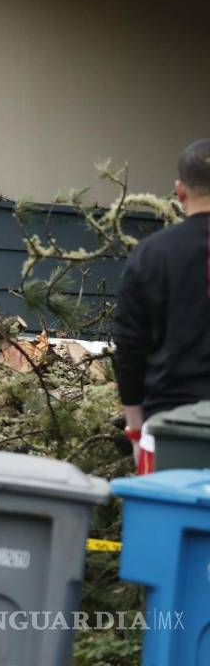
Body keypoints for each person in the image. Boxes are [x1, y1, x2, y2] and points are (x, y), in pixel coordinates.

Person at [113, 138, 210, 471]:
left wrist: (136, 430)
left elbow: (129, 348)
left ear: (180, 190)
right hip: (168, 427)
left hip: (168, 431)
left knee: (167, 522)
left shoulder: (150, 254)